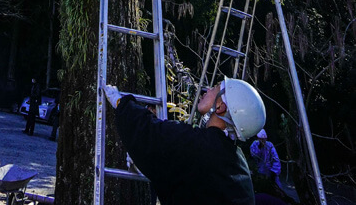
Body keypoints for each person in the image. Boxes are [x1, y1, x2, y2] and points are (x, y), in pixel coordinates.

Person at [104, 76, 266, 205]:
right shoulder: (238, 164)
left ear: (220, 107)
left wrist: (121, 103)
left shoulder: (200, 144)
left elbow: (151, 133)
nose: (208, 89)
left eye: (216, 88)